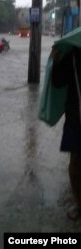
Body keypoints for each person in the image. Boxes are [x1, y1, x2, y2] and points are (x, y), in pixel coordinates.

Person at [51, 45, 81, 220]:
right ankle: (79, 202)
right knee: (76, 162)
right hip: (76, 118)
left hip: (75, 117)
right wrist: (56, 61)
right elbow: (58, 81)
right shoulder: (73, 54)